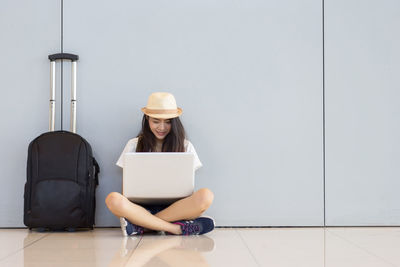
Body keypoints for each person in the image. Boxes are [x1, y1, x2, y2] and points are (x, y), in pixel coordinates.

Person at [105, 92, 215, 236]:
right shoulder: (133, 144)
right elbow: (126, 190)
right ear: (147, 119)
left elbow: (189, 188)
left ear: (175, 122)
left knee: (206, 195)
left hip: (175, 208)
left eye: (168, 122)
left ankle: (142, 225)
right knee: (113, 199)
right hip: (141, 208)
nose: (162, 127)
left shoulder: (186, 146)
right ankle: (175, 228)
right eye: (156, 121)